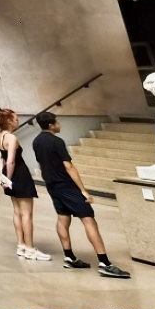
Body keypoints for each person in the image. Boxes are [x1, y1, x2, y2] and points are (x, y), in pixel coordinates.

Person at [30, 112, 130, 278]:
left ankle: (69, 257)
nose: (59, 125)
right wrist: (83, 190)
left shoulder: (36, 141)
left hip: (52, 185)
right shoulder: (57, 141)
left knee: (63, 218)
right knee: (89, 220)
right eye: (57, 122)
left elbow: (42, 164)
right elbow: (69, 167)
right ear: (50, 125)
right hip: (66, 186)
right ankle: (104, 263)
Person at [0, 108, 46, 260]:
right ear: (9, 120)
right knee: (27, 214)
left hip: (8, 176)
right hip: (19, 176)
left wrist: (2, 177)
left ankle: (21, 245)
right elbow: (11, 161)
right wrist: (8, 178)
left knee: (17, 211)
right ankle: (30, 249)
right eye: (15, 118)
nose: (17, 120)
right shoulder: (12, 138)